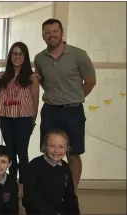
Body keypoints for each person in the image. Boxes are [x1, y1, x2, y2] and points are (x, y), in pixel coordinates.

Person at [35, 18, 96, 189]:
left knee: (73, 153)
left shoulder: (78, 54)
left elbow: (90, 81)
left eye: (55, 31)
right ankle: (50, 189)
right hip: (50, 111)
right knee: (49, 152)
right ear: (43, 35)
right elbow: (43, 81)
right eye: (47, 32)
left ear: (62, 33)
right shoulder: (40, 58)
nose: (51, 35)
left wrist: (75, 97)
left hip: (73, 112)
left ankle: (72, 192)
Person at [0, 42, 39, 197]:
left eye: (20, 54)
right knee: (10, 151)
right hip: (6, 118)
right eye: (14, 53)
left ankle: (24, 184)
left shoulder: (32, 77)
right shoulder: (2, 76)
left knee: (22, 152)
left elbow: (35, 101)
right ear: (10, 56)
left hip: (24, 119)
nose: (17, 57)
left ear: (25, 57)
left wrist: (33, 121)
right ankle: (11, 182)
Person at [22, 129, 80, 215]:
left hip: (58, 210)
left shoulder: (65, 167)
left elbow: (70, 195)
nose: (56, 150)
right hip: (38, 211)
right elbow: (31, 198)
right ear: (45, 146)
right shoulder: (33, 166)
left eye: (61, 147)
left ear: (67, 148)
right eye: (52, 146)